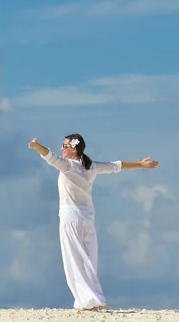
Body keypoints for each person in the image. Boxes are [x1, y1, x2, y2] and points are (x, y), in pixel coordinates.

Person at [28, 133, 159, 312]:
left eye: (64, 146)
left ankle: (90, 300)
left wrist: (36, 146)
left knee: (74, 261)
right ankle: (91, 300)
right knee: (89, 260)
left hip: (71, 218)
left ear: (73, 149)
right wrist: (141, 164)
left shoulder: (67, 166)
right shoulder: (91, 166)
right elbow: (116, 166)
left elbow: (49, 156)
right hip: (87, 218)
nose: (61, 148)